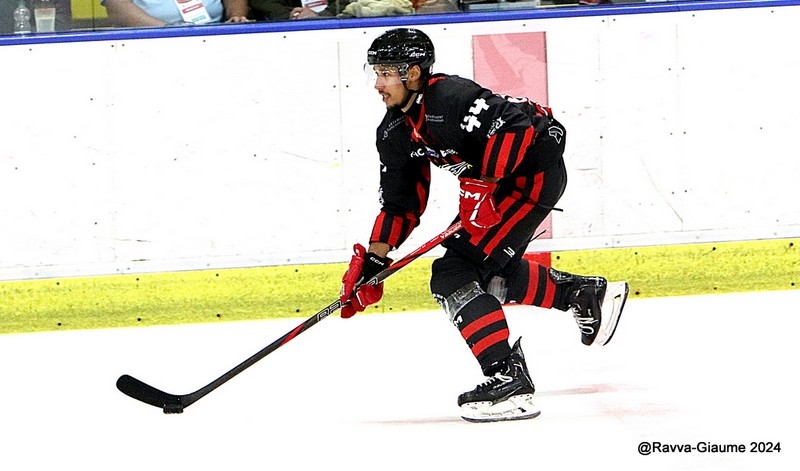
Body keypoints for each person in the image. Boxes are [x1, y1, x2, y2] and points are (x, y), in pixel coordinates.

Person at [339, 28, 629, 423]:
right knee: (484, 276)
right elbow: (401, 204)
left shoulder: (451, 97)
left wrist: (483, 185)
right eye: (375, 72)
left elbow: (516, 126)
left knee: (454, 274)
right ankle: (580, 293)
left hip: (530, 177)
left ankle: (508, 381)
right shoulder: (394, 132)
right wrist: (375, 262)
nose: (378, 83)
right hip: (493, 188)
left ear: (413, 72)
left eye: (387, 72)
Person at [102, 0, 250, 27]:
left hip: (214, 36)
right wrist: (169, 30)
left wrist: (235, 16)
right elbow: (118, 9)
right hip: (150, 40)